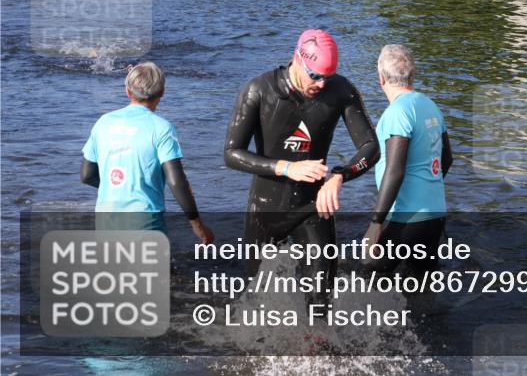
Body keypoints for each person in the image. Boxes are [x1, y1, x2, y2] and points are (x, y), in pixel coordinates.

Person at [224, 29, 379, 294]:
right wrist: (286, 168)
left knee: (321, 296)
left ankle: (317, 337)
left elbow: (371, 147)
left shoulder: (341, 91)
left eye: (326, 77)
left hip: (313, 206)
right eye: (315, 75)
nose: (320, 84)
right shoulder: (259, 90)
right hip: (265, 208)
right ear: (297, 59)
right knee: (259, 297)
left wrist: (340, 176)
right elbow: (232, 153)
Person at [80, 62, 213, 243]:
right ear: (162, 93)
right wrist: (198, 225)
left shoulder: (103, 122)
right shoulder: (162, 129)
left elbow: (87, 175)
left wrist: (122, 188)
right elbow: (177, 181)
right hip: (145, 222)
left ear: (128, 91)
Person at [363, 45, 452, 275]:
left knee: (366, 283)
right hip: (435, 216)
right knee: (420, 288)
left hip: (405, 218)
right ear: (413, 74)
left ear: (380, 77)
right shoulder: (430, 106)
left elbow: (395, 170)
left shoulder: (397, 112)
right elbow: (448, 159)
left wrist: (375, 223)